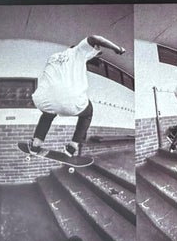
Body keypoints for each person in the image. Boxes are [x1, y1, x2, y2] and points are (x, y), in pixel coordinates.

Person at [21, 33, 125, 161]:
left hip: (41, 99)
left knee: (47, 115)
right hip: (68, 102)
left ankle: (36, 144)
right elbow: (95, 38)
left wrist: (94, 54)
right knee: (88, 112)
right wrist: (117, 49)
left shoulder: (53, 56)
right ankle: (72, 145)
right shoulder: (79, 51)